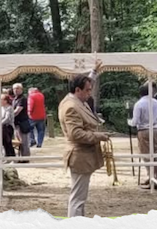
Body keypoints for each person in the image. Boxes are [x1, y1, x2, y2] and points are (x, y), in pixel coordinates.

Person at [59, 75, 110, 217]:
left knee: (80, 197)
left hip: (83, 156)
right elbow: (75, 134)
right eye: (87, 90)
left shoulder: (77, 102)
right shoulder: (71, 106)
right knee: (77, 198)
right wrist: (99, 136)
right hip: (79, 156)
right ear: (77, 90)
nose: (89, 93)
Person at [129, 83, 157, 189]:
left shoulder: (139, 104)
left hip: (143, 130)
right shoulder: (155, 102)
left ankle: (152, 177)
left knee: (146, 155)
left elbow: (135, 121)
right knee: (156, 153)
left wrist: (130, 122)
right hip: (155, 129)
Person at [11, 83, 32, 158]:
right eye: (14, 89)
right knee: (19, 141)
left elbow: (17, 111)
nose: (15, 90)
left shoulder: (22, 99)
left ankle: (25, 157)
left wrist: (9, 116)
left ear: (21, 89)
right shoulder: (14, 99)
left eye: (17, 88)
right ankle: (20, 156)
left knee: (24, 141)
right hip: (16, 123)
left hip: (22, 123)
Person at [0, 93, 17, 158]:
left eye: (1, 99)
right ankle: (6, 156)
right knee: (4, 143)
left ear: (5, 100)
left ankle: (12, 156)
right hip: (2, 127)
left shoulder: (9, 108)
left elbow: (7, 118)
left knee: (8, 142)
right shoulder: (1, 108)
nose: (0, 101)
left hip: (8, 127)